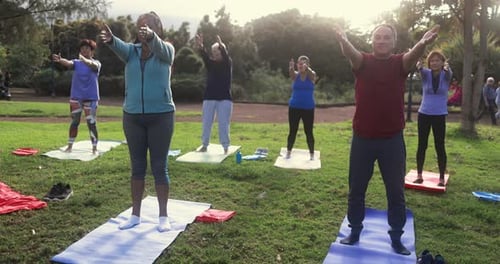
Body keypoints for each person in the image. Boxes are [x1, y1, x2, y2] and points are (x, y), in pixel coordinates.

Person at [334, 23, 439, 255]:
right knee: (357, 189)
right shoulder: (363, 62)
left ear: (393, 42)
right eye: (378, 37)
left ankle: (396, 237)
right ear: (372, 41)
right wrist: (343, 39)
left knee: (395, 191)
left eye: (386, 37)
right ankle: (355, 230)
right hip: (363, 139)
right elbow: (350, 53)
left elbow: (413, 55)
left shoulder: (399, 63)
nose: (381, 41)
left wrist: (422, 42)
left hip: (391, 140)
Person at [99, 11, 175, 232]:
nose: (143, 29)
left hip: (161, 116)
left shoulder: (166, 50)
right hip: (132, 117)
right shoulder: (131, 52)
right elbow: (119, 45)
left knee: (160, 167)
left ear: (157, 28)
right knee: (137, 167)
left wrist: (152, 38)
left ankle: (163, 216)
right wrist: (111, 39)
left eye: (148, 26)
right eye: (141, 26)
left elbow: (164, 50)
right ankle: (135, 215)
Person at [51, 39, 101, 154]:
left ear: (92, 51)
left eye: (87, 49)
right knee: (74, 122)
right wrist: (60, 60)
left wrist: (84, 59)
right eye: (82, 49)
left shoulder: (97, 63)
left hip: (91, 99)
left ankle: (94, 148)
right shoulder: (76, 63)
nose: (84, 51)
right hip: (76, 97)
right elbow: (69, 63)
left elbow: (92, 65)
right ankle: (69, 146)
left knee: (91, 123)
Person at [413, 51, 452, 187]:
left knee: (439, 145)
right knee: (422, 144)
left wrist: (447, 67)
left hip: (439, 115)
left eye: (437, 60)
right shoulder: (426, 74)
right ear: (429, 63)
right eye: (432, 61)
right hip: (424, 114)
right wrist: (418, 61)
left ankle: (441, 177)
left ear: (442, 62)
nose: (434, 63)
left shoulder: (446, 75)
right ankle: (419, 175)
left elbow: (448, 72)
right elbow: (420, 68)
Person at [194, 34, 233, 154]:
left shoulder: (227, 63)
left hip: (225, 99)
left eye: (218, 51)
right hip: (209, 97)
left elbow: (226, 57)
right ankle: (204, 145)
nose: (215, 54)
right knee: (206, 122)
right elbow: (204, 55)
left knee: (223, 124)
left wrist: (221, 46)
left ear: (222, 51)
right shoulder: (210, 64)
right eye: (214, 52)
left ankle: (225, 147)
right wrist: (201, 46)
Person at [286, 56, 317, 160]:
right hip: (294, 107)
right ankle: (288, 152)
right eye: (298, 64)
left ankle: (312, 154)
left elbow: (312, 75)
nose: (300, 66)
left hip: (308, 108)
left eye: (302, 64)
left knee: (308, 131)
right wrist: (291, 67)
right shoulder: (296, 75)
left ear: (307, 65)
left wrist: (306, 67)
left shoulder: (311, 75)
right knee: (292, 131)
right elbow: (291, 74)